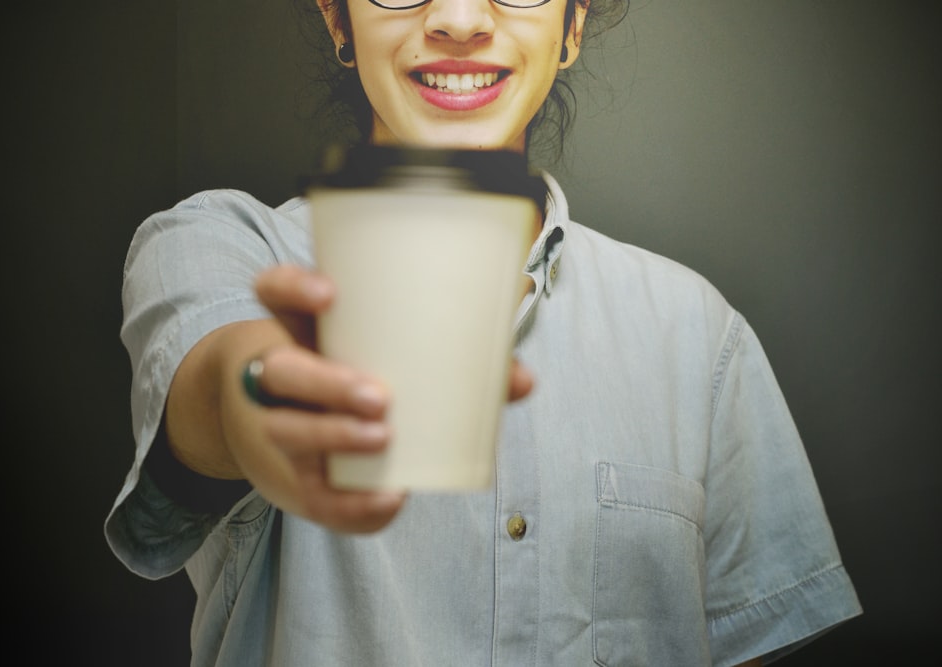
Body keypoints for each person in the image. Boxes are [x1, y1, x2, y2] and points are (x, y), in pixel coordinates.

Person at [105, 1, 862, 665]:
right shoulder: (222, 247)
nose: (460, 20)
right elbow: (220, 381)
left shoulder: (700, 336)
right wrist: (267, 400)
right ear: (338, 17)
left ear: (573, 23)